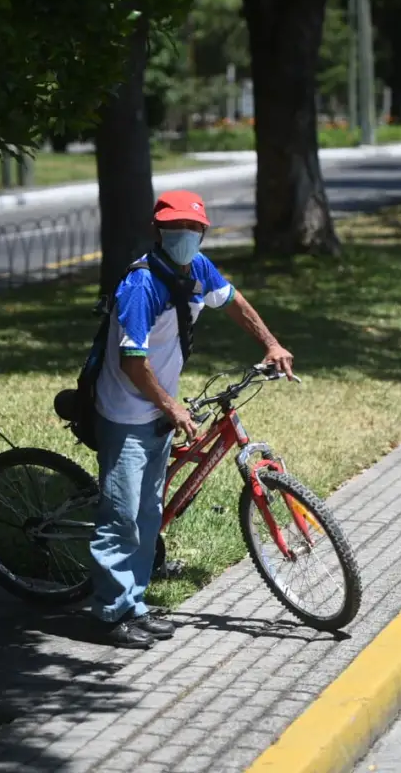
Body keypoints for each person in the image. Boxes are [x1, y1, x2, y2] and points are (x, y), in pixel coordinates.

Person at [89, 189, 294, 648]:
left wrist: (271, 343)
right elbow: (131, 363)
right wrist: (171, 406)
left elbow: (235, 302)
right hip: (126, 412)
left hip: (157, 408)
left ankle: (134, 604)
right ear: (157, 232)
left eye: (193, 229)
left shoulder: (198, 267)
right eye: (175, 228)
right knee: (122, 516)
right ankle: (110, 614)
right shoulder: (142, 285)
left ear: (203, 232)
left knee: (147, 512)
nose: (184, 235)